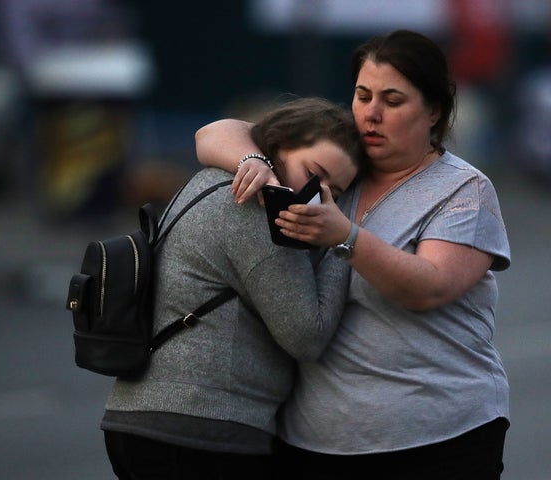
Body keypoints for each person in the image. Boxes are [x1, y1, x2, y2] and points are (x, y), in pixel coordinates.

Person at [194, 29, 512, 479]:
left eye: (393, 101)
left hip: (440, 437)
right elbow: (216, 132)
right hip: (312, 442)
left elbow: (430, 286)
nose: (371, 114)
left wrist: (346, 237)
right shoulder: (340, 164)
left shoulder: (464, 189)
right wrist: (255, 162)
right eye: (363, 96)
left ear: (434, 111)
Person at [100, 97, 364, 479]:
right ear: (279, 145)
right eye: (313, 172)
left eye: (335, 193)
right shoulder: (259, 211)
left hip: (145, 417)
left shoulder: (212, 178)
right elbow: (307, 335)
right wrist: (347, 236)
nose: (319, 196)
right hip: (199, 432)